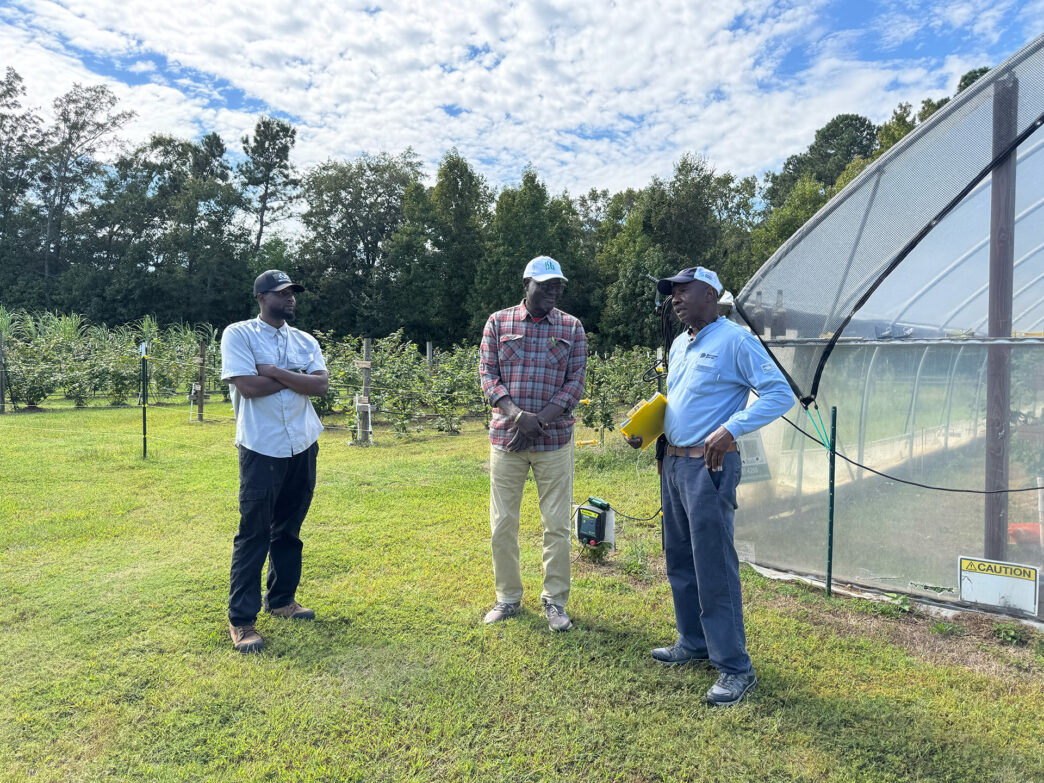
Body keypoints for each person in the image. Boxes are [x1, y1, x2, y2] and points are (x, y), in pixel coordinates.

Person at [624, 266, 793, 706]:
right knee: (679, 558)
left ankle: (735, 668)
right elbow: (680, 403)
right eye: (671, 293)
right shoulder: (681, 344)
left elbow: (779, 393)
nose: (675, 299)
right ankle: (693, 641)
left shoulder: (736, 340)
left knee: (713, 564)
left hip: (710, 466)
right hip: (675, 464)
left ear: (709, 294)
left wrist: (732, 429)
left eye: (683, 291)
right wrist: (650, 431)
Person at [220, 270, 330, 654]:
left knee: (289, 530)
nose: (292, 299)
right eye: (283, 293)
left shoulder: (304, 340)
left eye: (294, 293)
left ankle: (282, 600)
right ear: (261, 297)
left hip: (302, 443)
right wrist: (297, 377)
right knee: (253, 534)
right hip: (261, 448)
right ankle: (242, 621)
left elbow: (320, 385)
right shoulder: (239, 335)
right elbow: (248, 389)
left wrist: (275, 372)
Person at [478, 256, 588, 632]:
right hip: (506, 439)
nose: (552, 292)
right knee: (502, 524)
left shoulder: (572, 328)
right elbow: (488, 376)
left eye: (558, 285)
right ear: (526, 284)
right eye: (545, 286)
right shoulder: (498, 322)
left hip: (554, 440)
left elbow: (575, 384)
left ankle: (555, 601)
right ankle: (507, 598)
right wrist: (515, 415)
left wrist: (539, 420)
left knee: (556, 524)